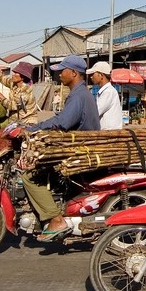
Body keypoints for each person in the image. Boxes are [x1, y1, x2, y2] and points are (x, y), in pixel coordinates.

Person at [21, 55, 101, 242]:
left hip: (78, 152)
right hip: (78, 147)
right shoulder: (80, 93)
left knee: (30, 177)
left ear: (73, 73)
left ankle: (56, 219)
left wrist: (32, 129)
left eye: (62, 71)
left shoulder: (78, 95)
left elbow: (62, 122)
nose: (59, 74)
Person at [0, 61, 38, 125]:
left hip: (26, 122)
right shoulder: (14, 84)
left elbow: (12, 106)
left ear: (22, 78)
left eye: (16, 73)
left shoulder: (25, 91)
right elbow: (4, 79)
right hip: (15, 120)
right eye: (14, 72)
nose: (13, 74)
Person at [86, 61, 122, 130]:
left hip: (110, 134)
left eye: (93, 74)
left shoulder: (108, 92)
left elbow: (95, 112)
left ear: (101, 75)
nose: (91, 77)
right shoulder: (104, 91)